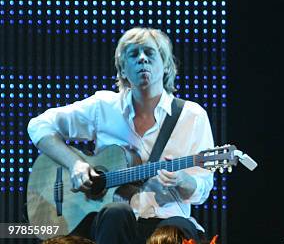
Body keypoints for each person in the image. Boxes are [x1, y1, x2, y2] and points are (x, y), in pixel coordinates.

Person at [28, 27, 215, 244]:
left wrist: (184, 180)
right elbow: (38, 125)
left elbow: (202, 189)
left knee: (172, 233)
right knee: (115, 212)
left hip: (168, 219)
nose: (142, 59)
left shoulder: (192, 116)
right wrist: (75, 164)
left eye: (149, 53)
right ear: (123, 70)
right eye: (133, 54)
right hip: (112, 221)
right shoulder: (103, 107)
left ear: (165, 65)